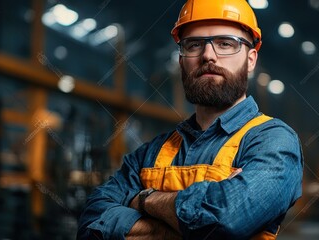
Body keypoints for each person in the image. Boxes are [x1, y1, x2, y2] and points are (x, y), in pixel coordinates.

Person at [77, 0, 303, 239]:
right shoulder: (150, 153)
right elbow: (91, 224)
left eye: (225, 44)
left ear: (251, 60)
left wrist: (144, 199)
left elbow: (224, 221)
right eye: (194, 45)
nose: (207, 55)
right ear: (181, 61)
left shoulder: (273, 141)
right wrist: (189, 224)